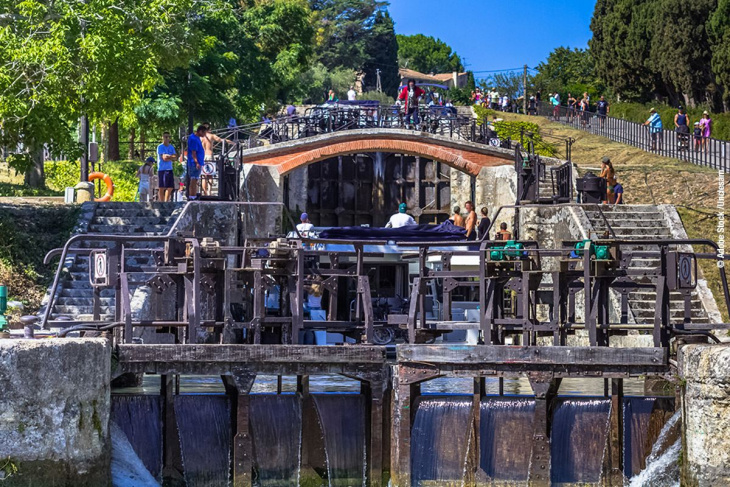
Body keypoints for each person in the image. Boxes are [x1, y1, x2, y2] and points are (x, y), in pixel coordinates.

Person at [200, 124, 233, 196]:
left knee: (203, 176)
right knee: (210, 175)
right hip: (209, 155)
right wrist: (231, 142)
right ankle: (209, 191)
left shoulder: (200, 137)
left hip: (202, 156)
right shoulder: (211, 136)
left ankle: (204, 192)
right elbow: (221, 140)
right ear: (209, 129)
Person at [186, 125, 207, 199]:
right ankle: (192, 196)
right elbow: (193, 152)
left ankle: (194, 195)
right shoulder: (193, 139)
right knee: (193, 180)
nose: (205, 135)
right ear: (200, 131)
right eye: (204, 133)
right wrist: (196, 162)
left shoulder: (197, 138)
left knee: (195, 180)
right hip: (193, 163)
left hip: (197, 163)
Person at [156, 132, 177, 202]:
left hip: (169, 168)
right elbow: (164, 158)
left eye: (168, 137)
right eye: (165, 137)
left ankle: (166, 201)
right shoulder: (160, 147)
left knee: (170, 187)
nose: (167, 139)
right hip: (162, 169)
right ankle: (162, 202)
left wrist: (169, 156)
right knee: (161, 187)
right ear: (162, 137)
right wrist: (171, 156)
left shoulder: (171, 147)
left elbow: (175, 158)